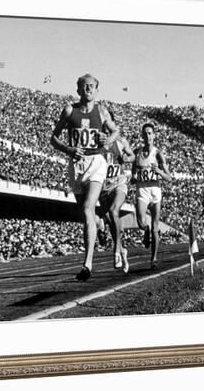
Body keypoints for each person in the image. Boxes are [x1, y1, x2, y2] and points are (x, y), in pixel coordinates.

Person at [50, 74, 119, 281]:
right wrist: (69, 149)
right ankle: (98, 221)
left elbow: (115, 131)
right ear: (78, 89)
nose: (88, 89)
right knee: (85, 212)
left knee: (88, 207)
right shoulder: (70, 111)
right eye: (84, 86)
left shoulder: (102, 111)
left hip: (96, 163)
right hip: (76, 166)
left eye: (92, 86)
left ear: (97, 90)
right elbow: (53, 138)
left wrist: (107, 139)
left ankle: (87, 263)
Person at [97, 110, 135, 273]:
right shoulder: (97, 139)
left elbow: (132, 155)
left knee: (114, 211)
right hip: (103, 188)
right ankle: (122, 250)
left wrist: (127, 158)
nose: (105, 124)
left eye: (108, 121)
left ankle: (116, 252)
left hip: (119, 184)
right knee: (112, 224)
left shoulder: (120, 141)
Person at [131, 122, 172, 269]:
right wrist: (134, 177)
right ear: (142, 136)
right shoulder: (137, 152)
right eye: (145, 133)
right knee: (141, 221)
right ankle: (145, 230)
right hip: (142, 190)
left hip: (155, 190)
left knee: (155, 227)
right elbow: (133, 172)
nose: (147, 136)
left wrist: (159, 171)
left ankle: (153, 259)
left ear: (154, 136)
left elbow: (169, 177)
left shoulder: (158, 154)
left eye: (150, 133)